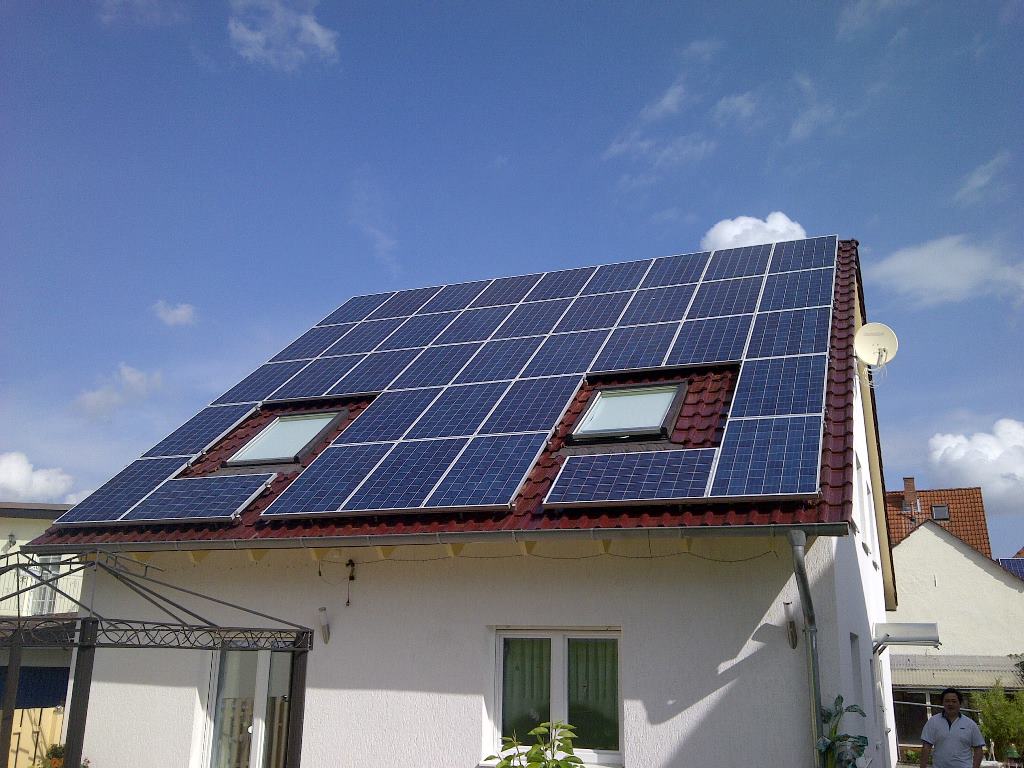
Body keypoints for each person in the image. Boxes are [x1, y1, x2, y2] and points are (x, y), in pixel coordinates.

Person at [919, 688, 985, 768]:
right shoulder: (933, 722)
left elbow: (978, 749)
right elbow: (926, 747)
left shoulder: (970, 724)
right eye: (947, 701)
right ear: (942, 703)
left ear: (960, 703)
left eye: (954, 701)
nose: (950, 704)